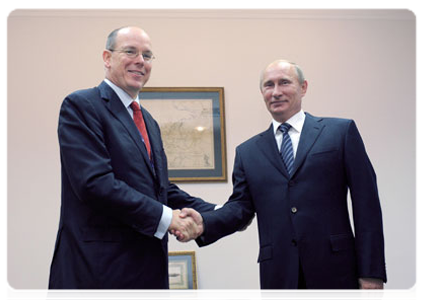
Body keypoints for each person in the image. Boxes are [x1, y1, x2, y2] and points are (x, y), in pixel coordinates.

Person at [181, 60, 387, 300]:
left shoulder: (340, 133)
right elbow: (240, 208)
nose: (276, 91)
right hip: (279, 278)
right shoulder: (248, 152)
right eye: (269, 85)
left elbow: (367, 205)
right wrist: (205, 222)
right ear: (262, 93)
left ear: (303, 87)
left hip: (337, 273)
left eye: (284, 82)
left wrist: (372, 271)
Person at [46, 26, 215, 300]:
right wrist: (168, 218)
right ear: (107, 57)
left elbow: (161, 190)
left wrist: (215, 212)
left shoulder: (149, 121)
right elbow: (95, 184)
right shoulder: (81, 106)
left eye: (147, 56)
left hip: (147, 280)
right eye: (130, 51)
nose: (140, 61)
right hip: (96, 279)